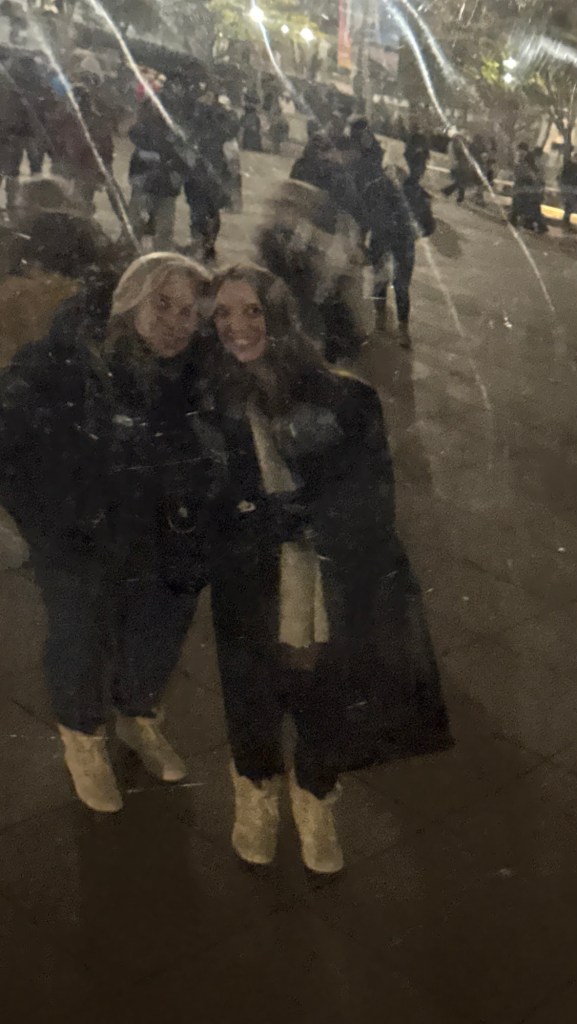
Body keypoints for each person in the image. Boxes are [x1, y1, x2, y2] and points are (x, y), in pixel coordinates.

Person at [205, 264, 452, 874]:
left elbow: (374, 498)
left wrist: (306, 514)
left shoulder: (343, 397)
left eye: (254, 310)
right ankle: (256, 790)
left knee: (324, 694)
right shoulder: (209, 404)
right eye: (223, 315)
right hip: (250, 581)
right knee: (252, 695)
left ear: (280, 314)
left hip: (325, 577)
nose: (239, 328)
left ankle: (314, 794)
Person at [0, 253, 224, 813]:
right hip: (81, 537)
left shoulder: (205, 372)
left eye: (190, 312)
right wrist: (48, 523)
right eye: (163, 304)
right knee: (79, 636)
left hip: (165, 537)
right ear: (131, 298)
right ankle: (83, 736)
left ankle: (138, 718)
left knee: (158, 634)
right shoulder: (69, 356)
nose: (176, 323)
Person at [257, 178, 371, 363]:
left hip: (313, 316)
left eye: (287, 207)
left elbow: (337, 271)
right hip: (293, 314)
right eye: (278, 206)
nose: (278, 212)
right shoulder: (271, 236)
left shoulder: (313, 238)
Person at [404, 118, 430, 183]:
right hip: (415, 158)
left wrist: (425, 154)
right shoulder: (413, 137)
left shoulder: (422, 138)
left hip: (419, 158)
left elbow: (425, 148)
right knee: (414, 174)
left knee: (417, 174)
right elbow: (409, 148)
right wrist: (416, 150)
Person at [559, 149, 577, 230]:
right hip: (570, 188)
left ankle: (566, 221)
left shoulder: (568, 164)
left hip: (570, 187)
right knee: (569, 205)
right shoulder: (570, 165)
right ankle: (566, 222)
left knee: (569, 206)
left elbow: (562, 175)